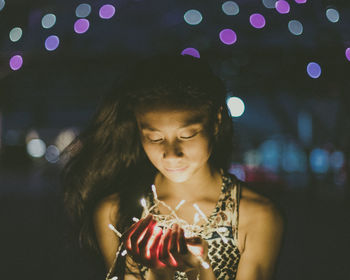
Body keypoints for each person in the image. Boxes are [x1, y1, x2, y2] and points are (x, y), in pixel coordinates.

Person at [62, 54, 284, 280]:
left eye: (187, 135)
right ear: (139, 129)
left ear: (216, 121)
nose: (171, 154)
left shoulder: (254, 216)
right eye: (155, 138)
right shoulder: (116, 213)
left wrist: (202, 270)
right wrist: (150, 272)